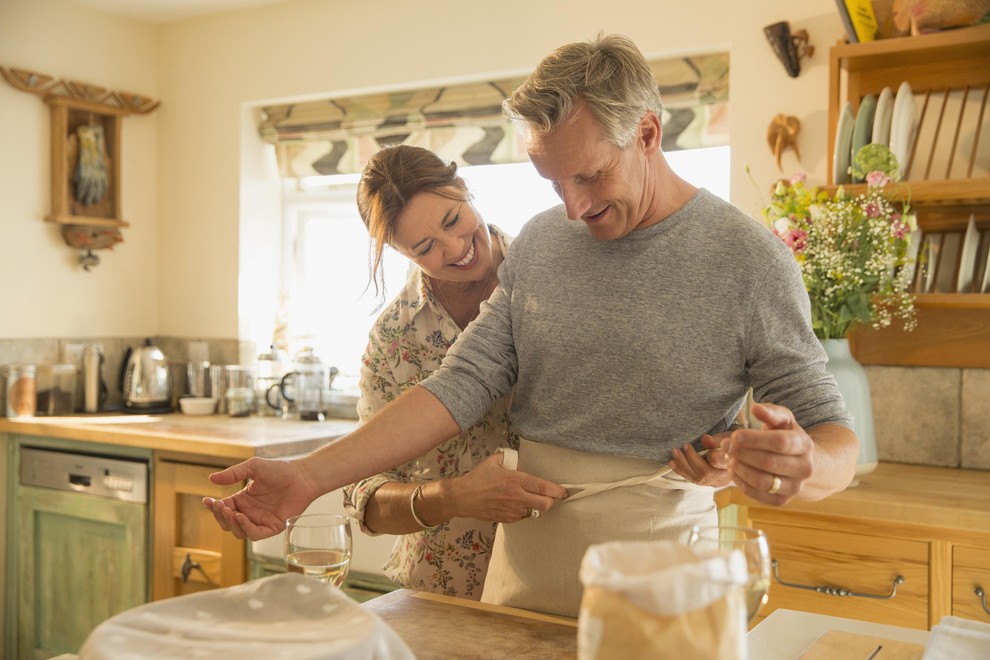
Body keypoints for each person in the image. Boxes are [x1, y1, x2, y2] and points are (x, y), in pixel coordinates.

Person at [205, 33, 858, 618]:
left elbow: (833, 438)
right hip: (519, 589)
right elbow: (458, 384)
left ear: (650, 133)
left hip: (659, 589)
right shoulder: (545, 244)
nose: (573, 208)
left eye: (590, 175)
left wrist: (806, 464)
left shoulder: (747, 260)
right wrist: (311, 476)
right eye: (553, 183)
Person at [343, 145, 562, 599]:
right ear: (398, 252)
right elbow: (365, 500)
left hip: (555, 573)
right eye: (425, 248)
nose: (457, 248)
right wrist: (452, 496)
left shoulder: (555, 279)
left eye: (453, 221)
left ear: (463, 188)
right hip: (441, 588)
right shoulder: (393, 338)